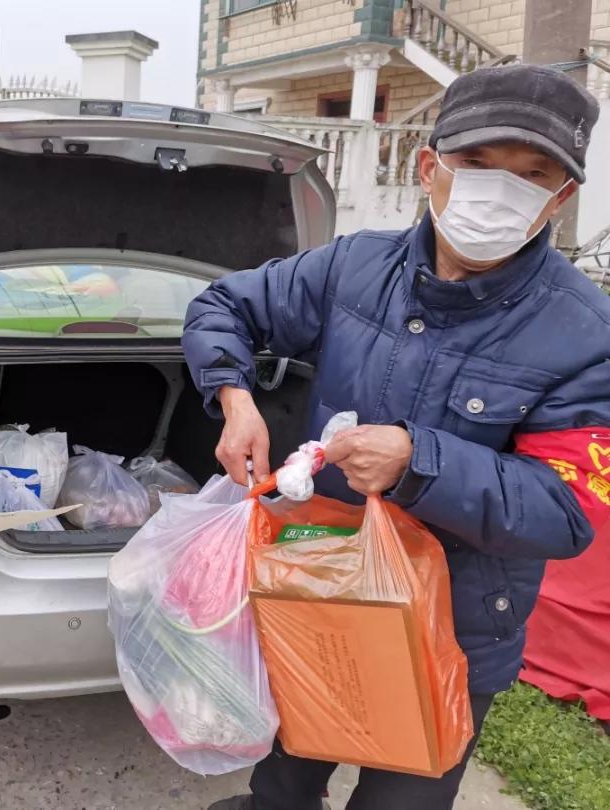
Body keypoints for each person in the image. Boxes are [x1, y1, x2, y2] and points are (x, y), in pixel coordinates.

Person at [183, 64, 609, 810]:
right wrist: (235, 397)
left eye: (532, 174)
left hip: (453, 635)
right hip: (320, 597)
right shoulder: (353, 266)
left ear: (560, 198)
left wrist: (421, 461)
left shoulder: (584, 333)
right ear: (428, 166)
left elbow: (567, 511)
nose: (499, 191)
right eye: (477, 163)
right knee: (280, 790)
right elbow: (223, 305)